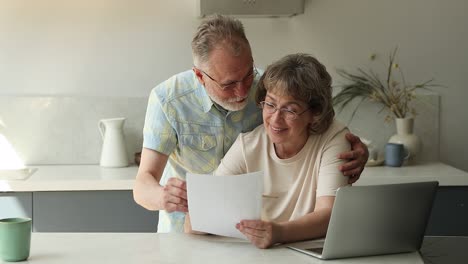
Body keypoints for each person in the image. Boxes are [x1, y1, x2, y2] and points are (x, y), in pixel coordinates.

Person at [133, 14, 368, 233]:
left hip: (253, 232)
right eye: (229, 84)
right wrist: (163, 196)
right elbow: (143, 183)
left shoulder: (270, 87)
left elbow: (318, 119)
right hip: (188, 229)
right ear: (199, 76)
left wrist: (353, 149)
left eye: (248, 74)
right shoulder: (168, 100)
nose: (244, 90)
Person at [186, 53, 352, 248]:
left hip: (314, 254)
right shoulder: (249, 145)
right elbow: (193, 222)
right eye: (270, 105)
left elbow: (329, 214)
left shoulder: (333, 138)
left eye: (290, 110)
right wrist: (198, 215)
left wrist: (279, 232)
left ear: (315, 112)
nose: (275, 119)